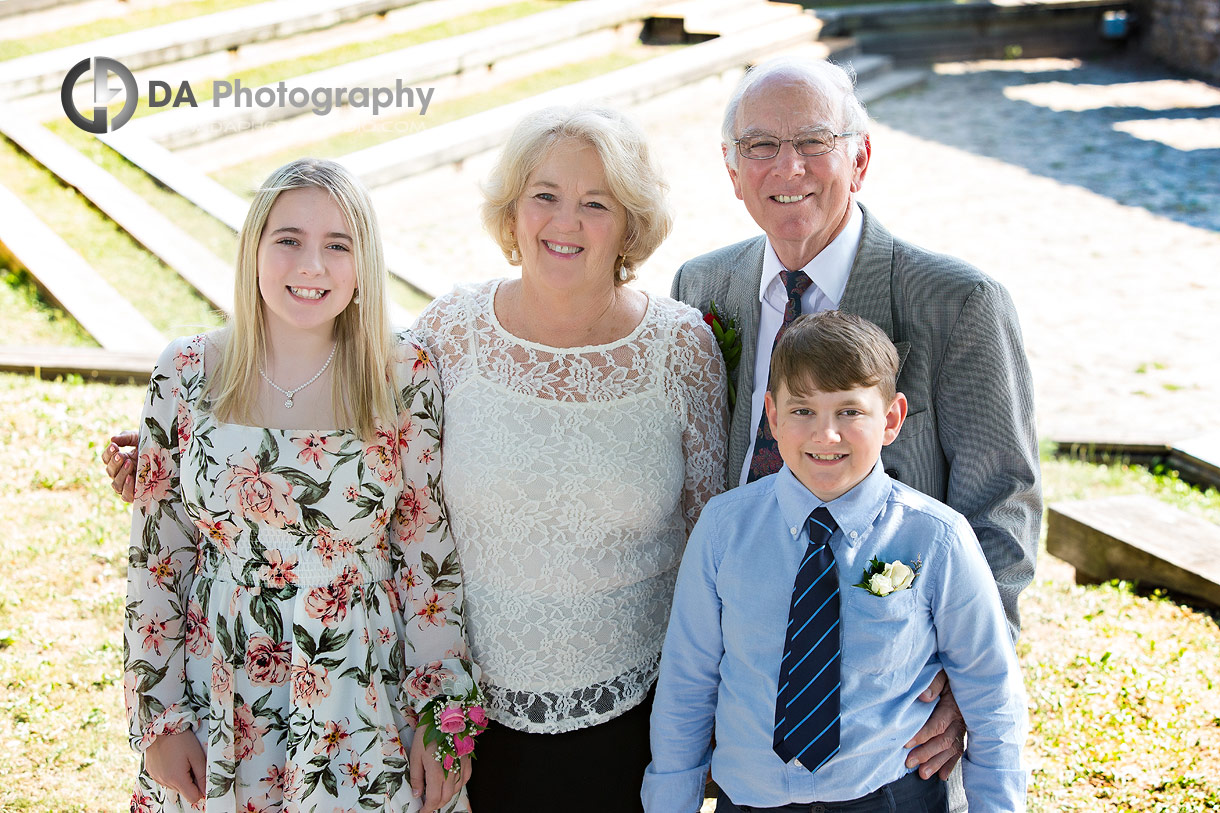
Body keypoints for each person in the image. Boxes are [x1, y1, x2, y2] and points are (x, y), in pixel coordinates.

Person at [671, 56, 1041, 800]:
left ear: (861, 157)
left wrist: (964, 680)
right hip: (740, 677)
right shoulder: (701, 288)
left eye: (813, 141)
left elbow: (1003, 499)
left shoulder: (956, 302)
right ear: (731, 168)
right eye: (760, 146)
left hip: (886, 698)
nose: (789, 167)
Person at [121, 158, 480, 813]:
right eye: (288, 239)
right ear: (253, 247)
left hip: (359, 689)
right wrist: (158, 718)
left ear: (363, 260)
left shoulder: (402, 374)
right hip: (221, 686)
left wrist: (442, 716)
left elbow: (427, 560)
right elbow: (156, 559)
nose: (311, 264)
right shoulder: (186, 372)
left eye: (337, 244)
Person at [409, 104, 726, 812]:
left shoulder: (683, 349)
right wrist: (174, 442)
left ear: (629, 224)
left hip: (635, 720)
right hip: (464, 716)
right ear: (513, 211)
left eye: (595, 203)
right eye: (545, 195)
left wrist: (702, 721)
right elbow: (369, 468)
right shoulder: (449, 330)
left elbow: (710, 543)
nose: (565, 221)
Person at [644, 310, 1028, 812]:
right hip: (752, 797)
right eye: (803, 411)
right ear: (772, 417)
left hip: (889, 794)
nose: (826, 435)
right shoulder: (724, 529)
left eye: (850, 411)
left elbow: (992, 691)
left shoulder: (936, 539)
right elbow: (687, 682)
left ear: (891, 419)